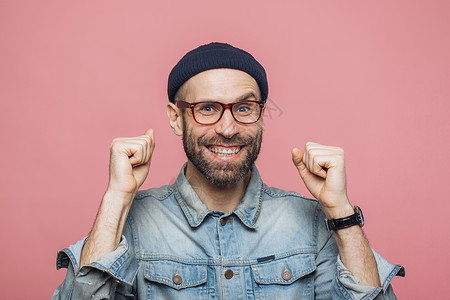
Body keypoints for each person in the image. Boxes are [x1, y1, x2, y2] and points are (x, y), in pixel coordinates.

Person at [52, 42, 404, 299]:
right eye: (207, 108)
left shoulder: (316, 223)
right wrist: (116, 198)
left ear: (261, 115)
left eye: (244, 108)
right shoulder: (131, 223)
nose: (228, 127)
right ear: (176, 118)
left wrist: (340, 211)